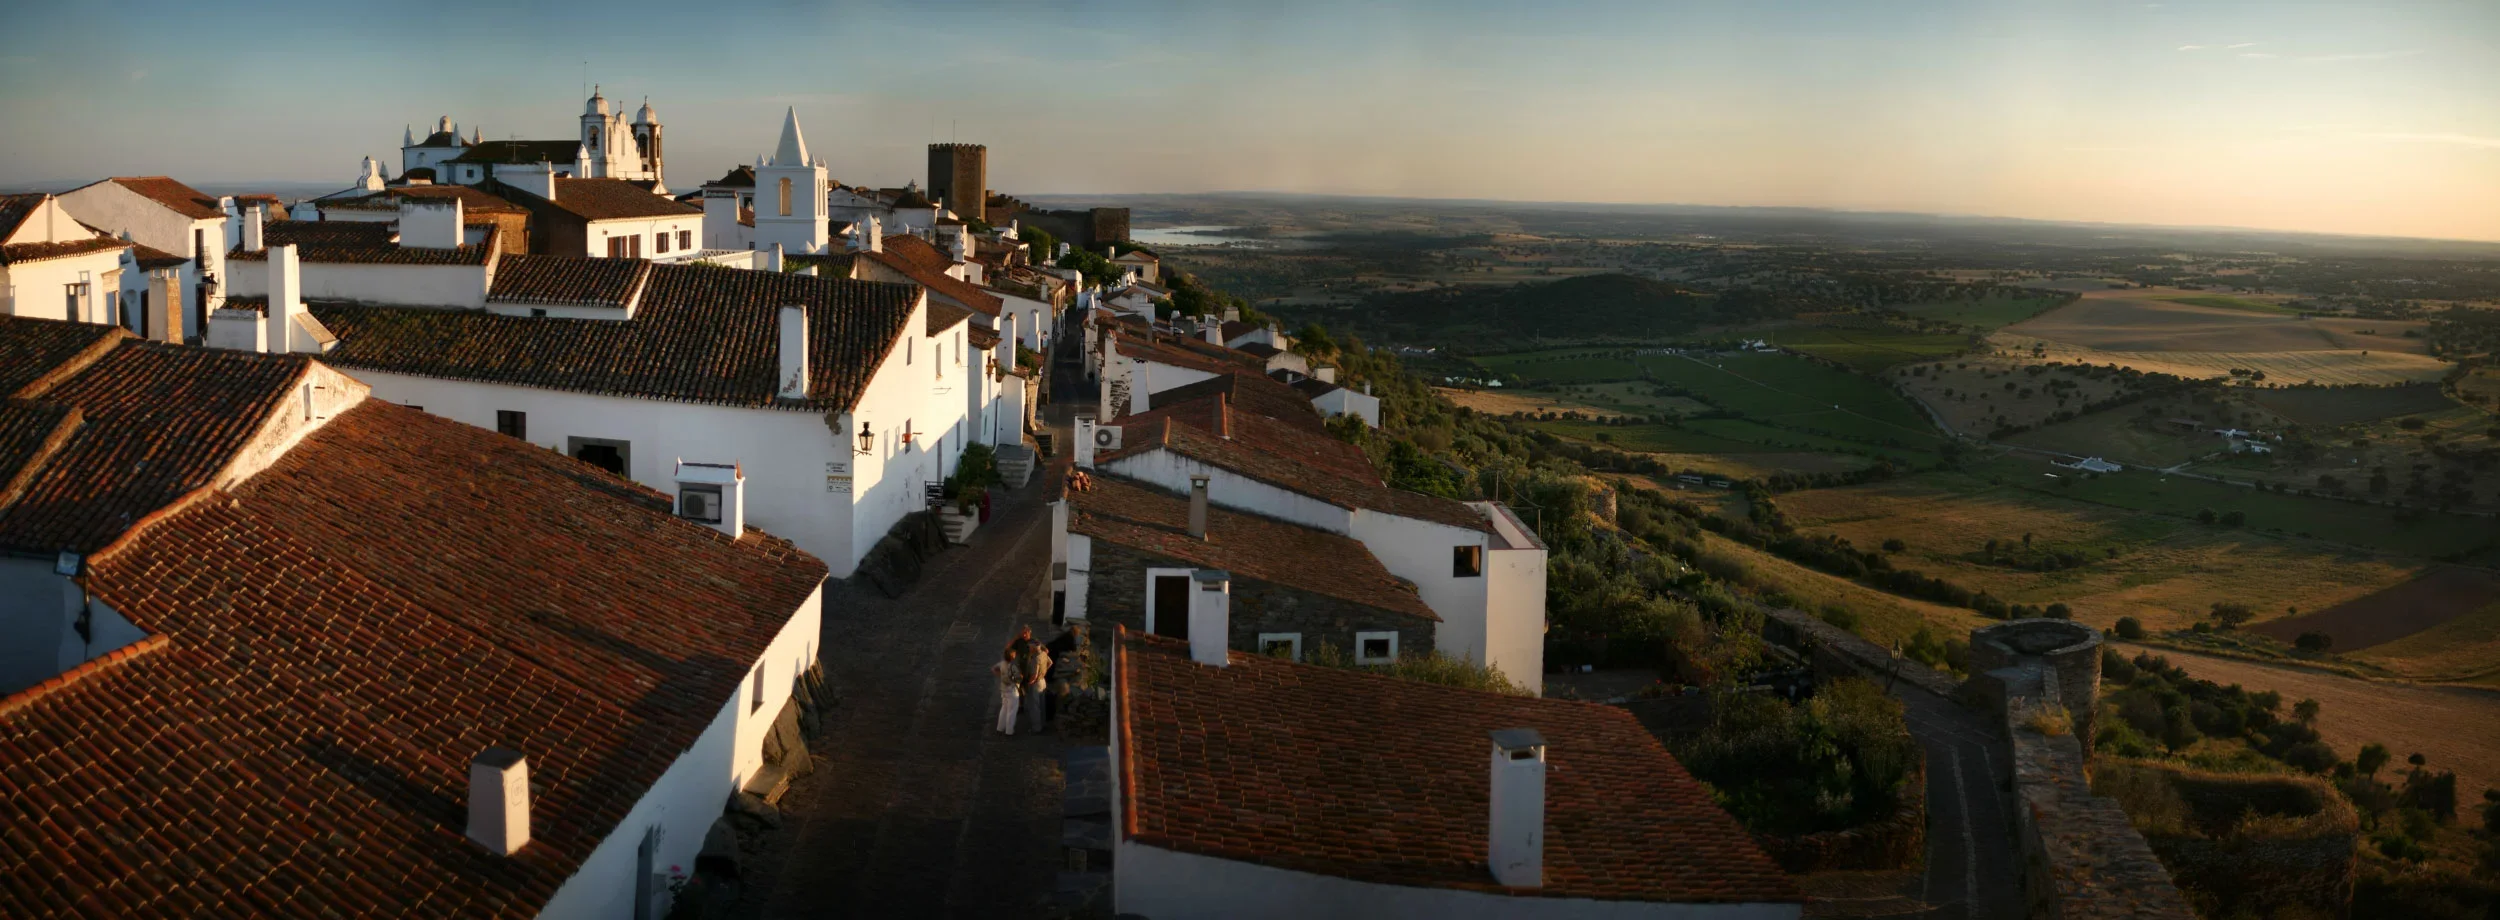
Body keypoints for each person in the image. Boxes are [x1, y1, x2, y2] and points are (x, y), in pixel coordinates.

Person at [1021, 642, 1052, 732]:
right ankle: (1043, 724)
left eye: (1030, 647)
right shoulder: (1044, 653)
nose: (1029, 649)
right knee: (1042, 704)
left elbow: (1034, 675)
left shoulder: (1035, 659)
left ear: (1034, 649)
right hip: (1043, 681)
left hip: (1036, 683)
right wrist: (1044, 672)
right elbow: (1050, 663)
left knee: (1034, 706)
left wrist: (1030, 683)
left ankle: (1036, 728)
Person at [991, 648, 1022, 735]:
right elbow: (1018, 679)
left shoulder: (1002, 663)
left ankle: (1000, 727)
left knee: (1004, 708)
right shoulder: (1013, 666)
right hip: (1012, 690)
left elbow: (993, 669)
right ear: (1012, 656)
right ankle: (1009, 730)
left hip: (1003, 689)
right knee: (1011, 711)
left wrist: (1001, 676)